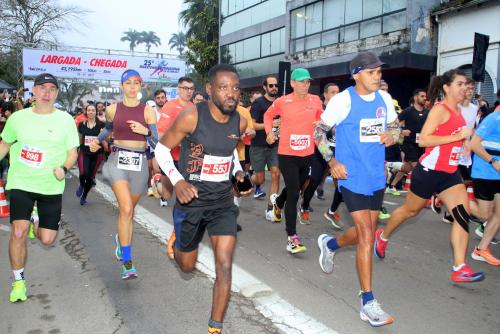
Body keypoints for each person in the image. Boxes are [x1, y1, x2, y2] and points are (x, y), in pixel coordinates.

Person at [155, 64, 251, 334]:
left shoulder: (240, 121)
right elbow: (162, 150)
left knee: (224, 262)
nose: (230, 94)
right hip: (192, 201)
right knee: (186, 266)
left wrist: (239, 173)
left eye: (235, 88)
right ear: (209, 90)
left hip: (222, 201)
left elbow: (229, 154)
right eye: (223, 87)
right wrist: (178, 180)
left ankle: (214, 328)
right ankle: (177, 240)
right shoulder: (191, 116)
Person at [373, 69, 485, 283]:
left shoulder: (459, 111)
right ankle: (383, 236)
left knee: (461, 217)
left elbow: (453, 138)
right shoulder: (440, 110)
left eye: (466, 85)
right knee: (410, 211)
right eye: (460, 84)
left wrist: (464, 145)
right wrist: (457, 136)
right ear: (447, 88)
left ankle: (460, 267)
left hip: (450, 174)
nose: (465, 89)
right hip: (429, 172)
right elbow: (424, 140)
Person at [315, 52, 400, 326]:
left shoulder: (384, 99)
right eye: (372, 72)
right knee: (366, 236)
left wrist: (392, 136)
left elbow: (395, 127)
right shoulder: (343, 101)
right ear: (357, 74)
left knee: (368, 231)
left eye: (379, 72)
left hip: (376, 174)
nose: (378, 77)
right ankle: (368, 302)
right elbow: (318, 132)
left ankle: (330, 244)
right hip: (350, 175)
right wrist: (333, 160)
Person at [0, 73, 79, 303]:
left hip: (50, 186)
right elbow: (5, 143)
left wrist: (64, 168)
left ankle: (36, 216)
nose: (46, 92)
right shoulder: (18, 118)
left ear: (56, 94)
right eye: (42, 88)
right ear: (33, 91)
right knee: (18, 232)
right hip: (21, 183)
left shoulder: (65, 120)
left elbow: (72, 153)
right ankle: (18, 282)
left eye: (52, 89)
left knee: (47, 239)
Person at [89, 69, 158, 280]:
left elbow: (157, 140)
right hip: (117, 160)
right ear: (121, 86)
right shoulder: (112, 109)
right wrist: (96, 141)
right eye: (128, 83)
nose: (132, 86)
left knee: (129, 212)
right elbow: (107, 129)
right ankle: (127, 261)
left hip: (139, 164)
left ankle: (121, 240)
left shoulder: (148, 111)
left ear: (140, 86)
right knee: (126, 208)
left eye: (136, 83)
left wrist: (144, 131)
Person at [264, 68, 323, 253]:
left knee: (296, 187)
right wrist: (269, 133)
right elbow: (267, 116)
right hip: (287, 153)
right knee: (294, 194)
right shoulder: (283, 101)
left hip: (307, 152)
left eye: (307, 82)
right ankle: (292, 238)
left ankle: (278, 204)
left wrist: (320, 124)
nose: (305, 85)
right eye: (301, 81)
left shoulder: (315, 100)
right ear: (292, 83)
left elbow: (321, 118)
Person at [299, 83, 344, 229]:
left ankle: (332, 211)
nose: (336, 95)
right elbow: (314, 129)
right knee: (315, 179)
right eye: (333, 92)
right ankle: (304, 207)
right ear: (325, 94)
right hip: (321, 150)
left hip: (340, 150)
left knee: (343, 183)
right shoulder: (320, 110)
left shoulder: (344, 110)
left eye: (338, 92)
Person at [469, 110, 500, 265]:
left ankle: (481, 249)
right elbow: (473, 143)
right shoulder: (494, 118)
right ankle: (450, 197)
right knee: (484, 215)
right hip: (485, 172)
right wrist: (493, 161)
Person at [249, 76, 281, 219]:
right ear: (265, 87)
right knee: (260, 179)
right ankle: (248, 179)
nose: (274, 87)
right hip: (258, 146)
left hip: (275, 146)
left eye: (276, 85)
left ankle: (271, 208)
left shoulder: (281, 103)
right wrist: (269, 126)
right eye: (271, 85)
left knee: (276, 174)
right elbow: (253, 125)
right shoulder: (258, 103)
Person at [76, 104, 106, 205]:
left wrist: (103, 136)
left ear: (96, 111)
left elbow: (107, 139)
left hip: (97, 154)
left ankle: (84, 196)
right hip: (84, 152)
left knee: (90, 177)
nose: (91, 112)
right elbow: (78, 138)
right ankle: (81, 184)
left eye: (93, 110)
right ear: (86, 111)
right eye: (89, 110)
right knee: (83, 173)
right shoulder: (81, 125)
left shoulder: (101, 125)